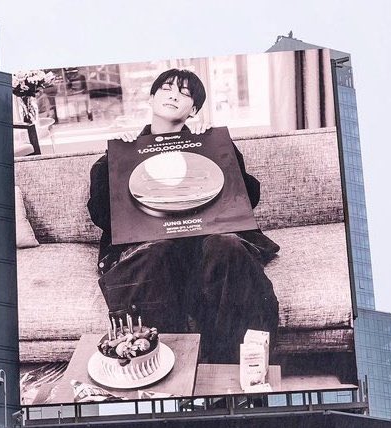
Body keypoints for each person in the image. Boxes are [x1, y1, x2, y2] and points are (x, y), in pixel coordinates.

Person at [88, 68, 279, 365]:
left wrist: (219, 151)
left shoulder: (212, 146)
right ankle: (164, 373)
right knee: (155, 252)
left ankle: (235, 370)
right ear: (152, 99)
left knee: (225, 245)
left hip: (206, 249)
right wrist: (116, 162)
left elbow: (246, 199)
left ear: (194, 111)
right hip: (157, 253)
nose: (175, 94)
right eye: (166, 88)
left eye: (186, 93)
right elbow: (101, 215)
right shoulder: (120, 152)